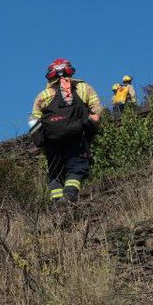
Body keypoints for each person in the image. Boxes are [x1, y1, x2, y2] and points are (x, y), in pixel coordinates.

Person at [30, 58, 102, 206]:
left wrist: (42, 145)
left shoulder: (42, 95)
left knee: (55, 173)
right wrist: (89, 131)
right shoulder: (84, 88)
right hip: (77, 138)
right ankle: (69, 197)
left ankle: (57, 203)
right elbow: (97, 112)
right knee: (77, 168)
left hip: (52, 142)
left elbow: (34, 122)